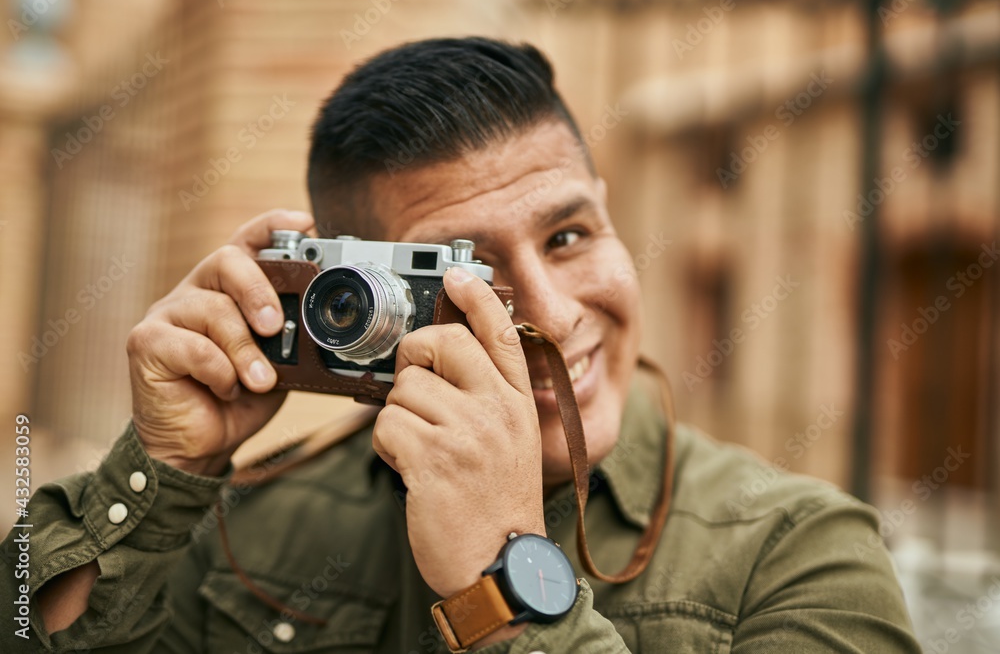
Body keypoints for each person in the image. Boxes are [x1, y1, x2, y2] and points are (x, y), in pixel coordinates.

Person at [2, 37, 919, 653]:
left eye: (569, 236)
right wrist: (163, 472)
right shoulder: (249, 524)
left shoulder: (797, 552)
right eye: (471, 275)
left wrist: (504, 570)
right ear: (357, 301)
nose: (556, 316)